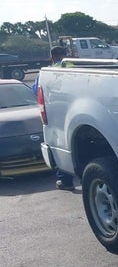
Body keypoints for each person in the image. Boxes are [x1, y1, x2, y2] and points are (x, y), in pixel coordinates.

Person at [33, 46, 75, 190]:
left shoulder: (46, 73)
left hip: (55, 115)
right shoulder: (73, 68)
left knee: (59, 146)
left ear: (52, 57)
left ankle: (66, 181)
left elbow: (36, 91)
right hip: (75, 112)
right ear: (65, 55)